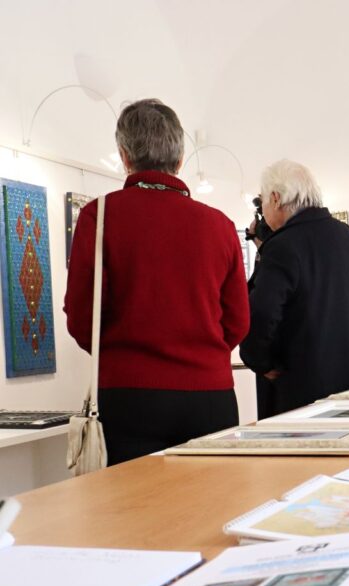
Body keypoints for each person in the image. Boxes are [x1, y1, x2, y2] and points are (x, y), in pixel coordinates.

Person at [64, 99, 249, 465]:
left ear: (124, 156)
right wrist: (202, 354)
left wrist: (121, 356)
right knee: (211, 499)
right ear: (179, 159)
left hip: (129, 397)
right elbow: (238, 321)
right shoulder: (220, 225)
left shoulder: (99, 216)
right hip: (209, 394)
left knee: (131, 501)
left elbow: (82, 318)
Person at [241, 160, 349, 418]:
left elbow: (261, 312)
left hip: (302, 389)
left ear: (275, 198)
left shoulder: (282, 246)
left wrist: (260, 362)